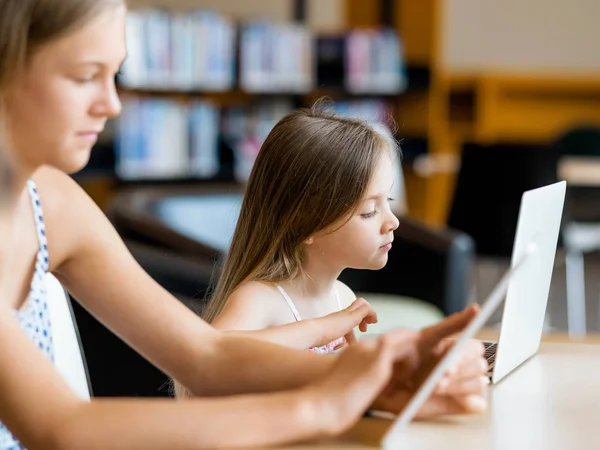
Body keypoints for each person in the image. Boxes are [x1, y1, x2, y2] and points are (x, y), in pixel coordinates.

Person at [0, 0, 489, 448]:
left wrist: (375, 376)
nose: (112, 104)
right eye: (86, 75)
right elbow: (58, 429)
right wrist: (321, 403)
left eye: (115, 74)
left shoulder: (55, 200)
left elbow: (207, 357)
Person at [203, 107, 401, 355]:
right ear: (305, 222)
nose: (393, 222)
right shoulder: (260, 299)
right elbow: (213, 356)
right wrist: (320, 329)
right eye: (370, 211)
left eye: (389, 201)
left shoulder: (343, 298)